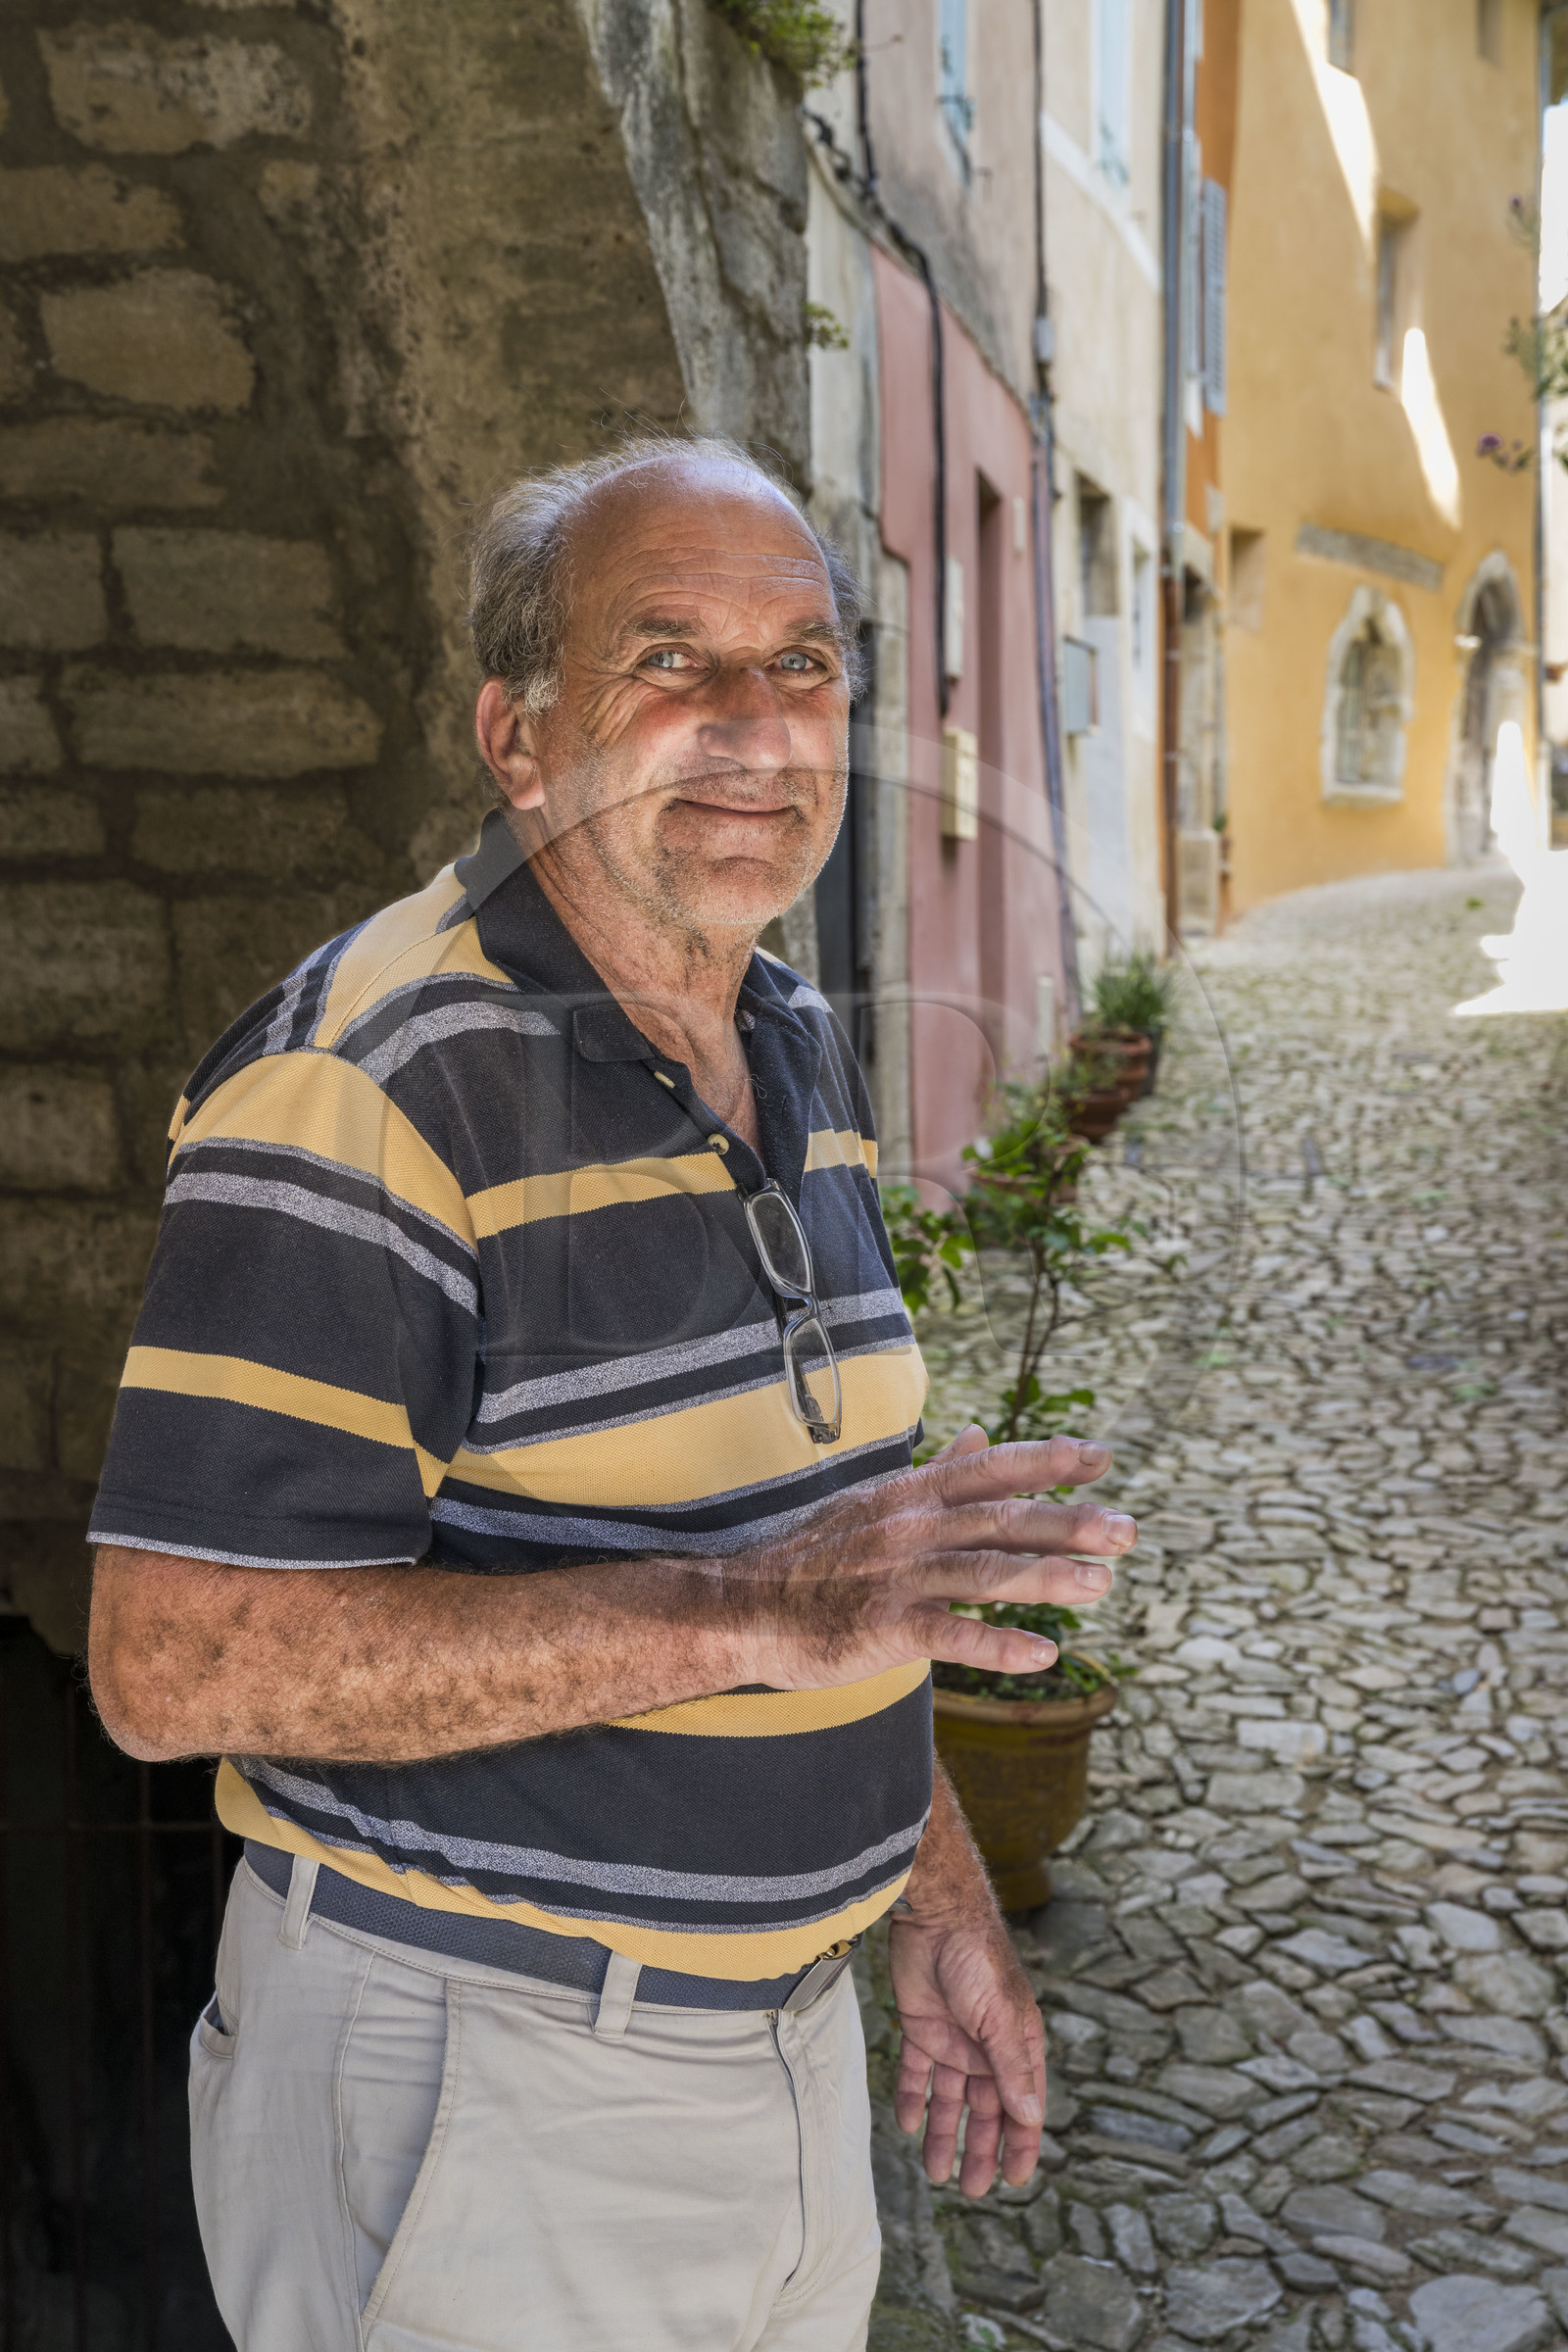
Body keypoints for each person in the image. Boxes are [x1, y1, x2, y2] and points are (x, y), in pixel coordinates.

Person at [87, 436, 1134, 2351]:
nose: (756, 722)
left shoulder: (785, 1026)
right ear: (517, 735)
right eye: (668, 661)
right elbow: (173, 1663)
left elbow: (822, 1562)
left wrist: (934, 1902)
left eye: (803, 663)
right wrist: (752, 1617)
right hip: (484, 2086)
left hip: (778, 2067)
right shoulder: (368, 1076)